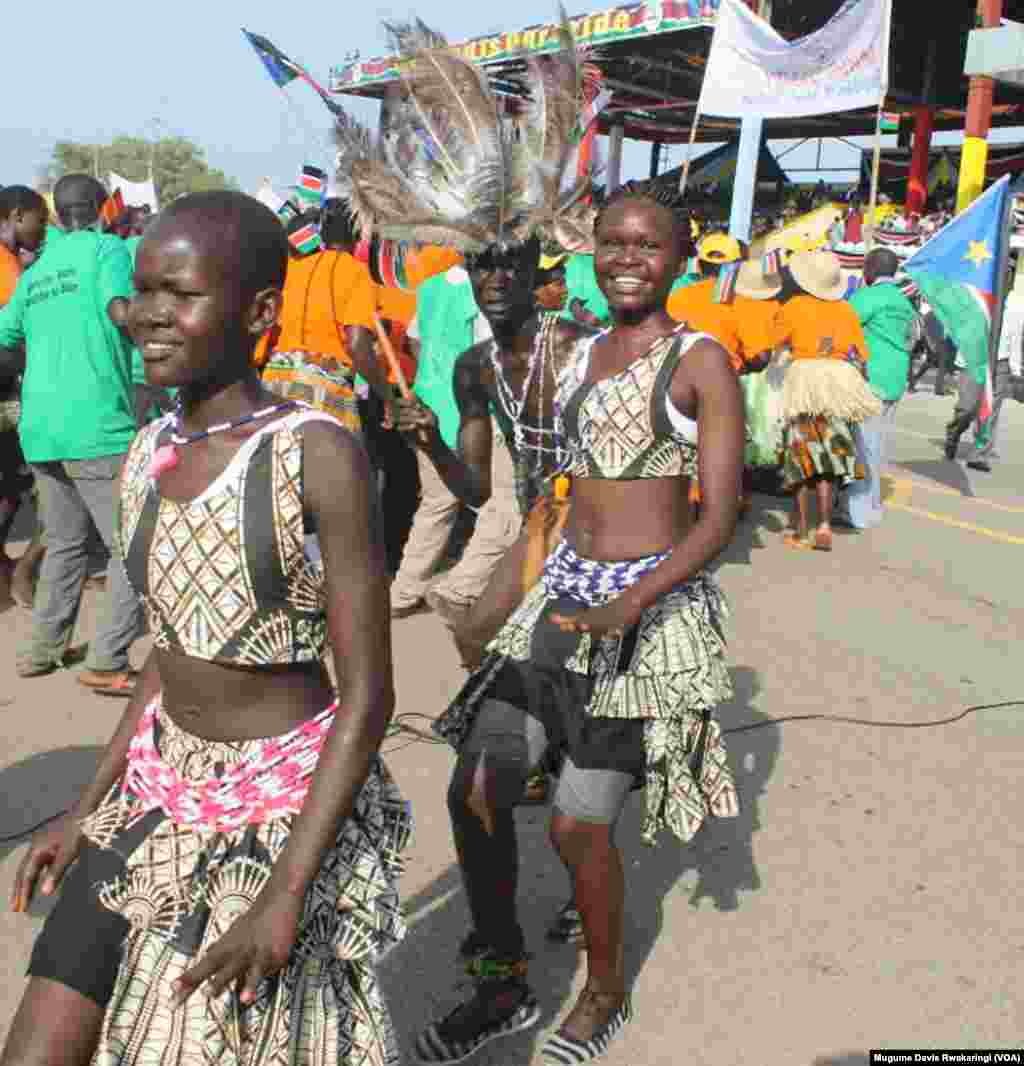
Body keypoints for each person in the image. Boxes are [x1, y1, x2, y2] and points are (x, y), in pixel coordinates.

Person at [1, 191, 411, 1066]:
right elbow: (170, 653)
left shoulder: (315, 455)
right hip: (154, 791)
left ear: (259, 310)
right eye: (144, 290)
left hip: (274, 811)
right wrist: (87, 808)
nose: (151, 314)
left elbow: (368, 696)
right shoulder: (152, 450)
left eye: (180, 294)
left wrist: (284, 894)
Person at [412, 184, 744, 1065]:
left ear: (680, 256)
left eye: (648, 245)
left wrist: (627, 604)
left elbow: (719, 519)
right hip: (561, 596)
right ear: (590, 254)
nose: (628, 258)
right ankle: (503, 978)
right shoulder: (582, 352)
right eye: (613, 243)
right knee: (476, 788)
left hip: (645, 612)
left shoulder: (699, 359)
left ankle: (604, 991)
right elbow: (507, 454)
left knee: (577, 822)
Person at [0, 173, 144, 690]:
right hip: (96, 424)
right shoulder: (108, 249)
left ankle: (42, 649)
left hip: (40, 428)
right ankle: (106, 660)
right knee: (133, 548)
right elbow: (119, 309)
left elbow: (4, 332)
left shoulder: (36, 271)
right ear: (103, 208)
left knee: (65, 544)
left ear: (58, 213)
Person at [772, 250, 880, 551]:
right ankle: (825, 525)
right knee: (830, 461)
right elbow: (861, 355)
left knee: (803, 458)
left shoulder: (794, 306)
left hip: (804, 383)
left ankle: (802, 531)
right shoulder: (846, 310)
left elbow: (775, 342)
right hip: (837, 385)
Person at [261, 198, 392, 436]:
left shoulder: (293, 269)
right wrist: (388, 398)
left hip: (273, 387)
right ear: (359, 232)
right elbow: (356, 345)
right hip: (325, 393)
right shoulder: (356, 272)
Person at [840, 248, 916, 528]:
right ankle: (868, 505)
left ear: (870, 269)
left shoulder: (868, 297)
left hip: (871, 379)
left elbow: (841, 325)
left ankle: (859, 512)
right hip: (896, 379)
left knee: (864, 446)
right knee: (877, 445)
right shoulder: (904, 302)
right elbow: (913, 338)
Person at [0, 185, 49, 600]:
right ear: (15, 217)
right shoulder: (6, 264)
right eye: (39, 220)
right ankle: (19, 574)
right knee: (40, 483)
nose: (44, 229)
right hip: (9, 392)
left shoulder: (14, 261)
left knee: (15, 484)